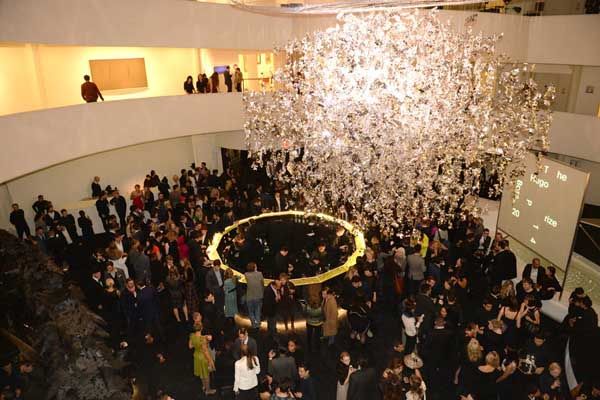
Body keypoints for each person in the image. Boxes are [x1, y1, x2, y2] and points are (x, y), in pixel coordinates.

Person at [189, 324, 216, 396]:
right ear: (201, 329)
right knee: (206, 375)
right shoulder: (203, 340)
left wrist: (203, 338)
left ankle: (204, 386)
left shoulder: (192, 336)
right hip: (203, 358)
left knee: (201, 373)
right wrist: (210, 362)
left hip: (196, 356)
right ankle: (208, 390)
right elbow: (205, 352)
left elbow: (190, 346)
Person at [245, 262, 264, 329]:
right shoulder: (259, 274)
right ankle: (258, 324)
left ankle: (253, 324)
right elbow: (262, 284)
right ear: (254, 267)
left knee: (251, 312)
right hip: (258, 296)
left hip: (249, 297)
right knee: (257, 311)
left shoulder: (246, 274)